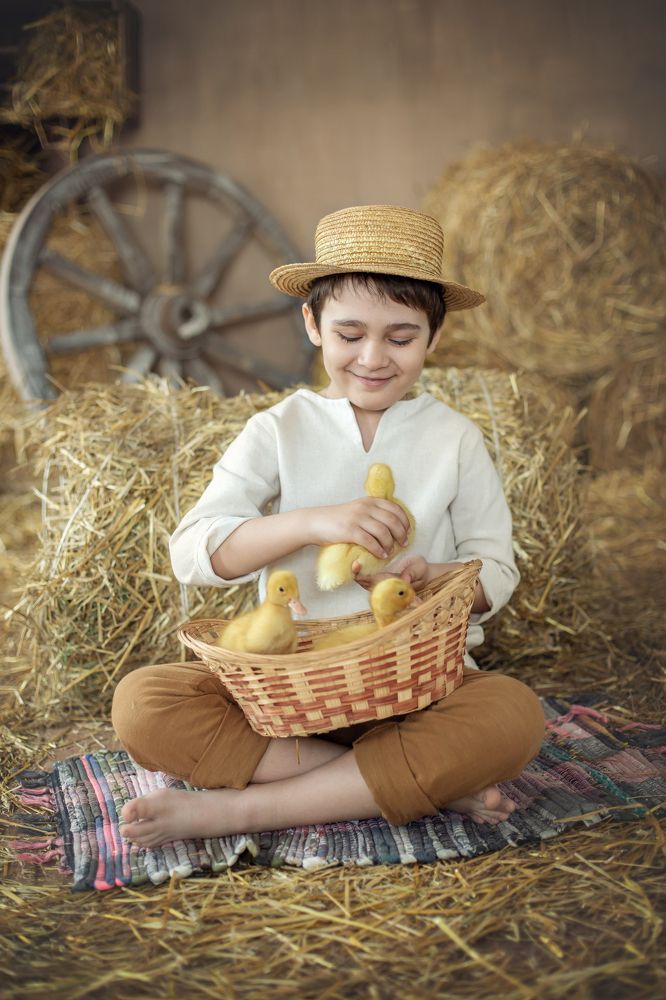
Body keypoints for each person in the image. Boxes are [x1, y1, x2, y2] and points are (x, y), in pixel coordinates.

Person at [113, 204, 545, 849]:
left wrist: (433, 577)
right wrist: (308, 523)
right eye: (350, 334)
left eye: (401, 338)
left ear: (435, 337)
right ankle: (407, 783)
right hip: (287, 696)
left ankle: (239, 811)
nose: (372, 358)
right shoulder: (277, 429)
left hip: (418, 690)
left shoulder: (456, 438)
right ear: (312, 324)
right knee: (143, 704)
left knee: (512, 715)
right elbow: (193, 553)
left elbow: (497, 572)